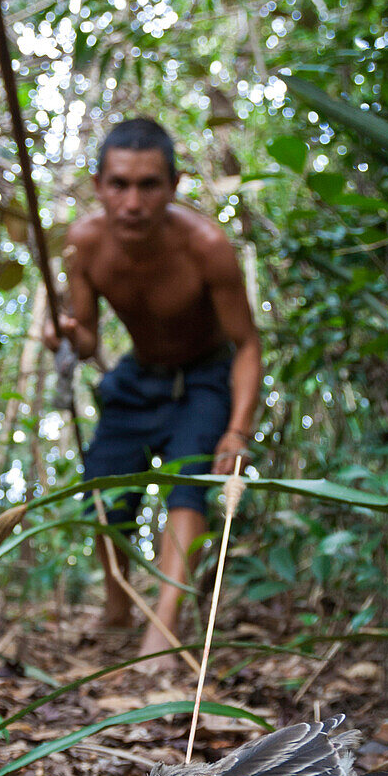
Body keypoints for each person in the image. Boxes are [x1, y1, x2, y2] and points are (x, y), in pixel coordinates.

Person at [44, 118, 262, 667]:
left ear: (174, 185)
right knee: (105, 492)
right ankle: (118, 609)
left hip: (203, 380)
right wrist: (67, 333)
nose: (133, 201)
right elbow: (91, 336)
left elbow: (248, 344)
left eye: (149, 185)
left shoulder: (206, 247)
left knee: (186, 488)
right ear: (98, 184)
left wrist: (237, 428)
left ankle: (165, 627)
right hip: (137, 378)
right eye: (119, 184)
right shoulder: (84, 243)